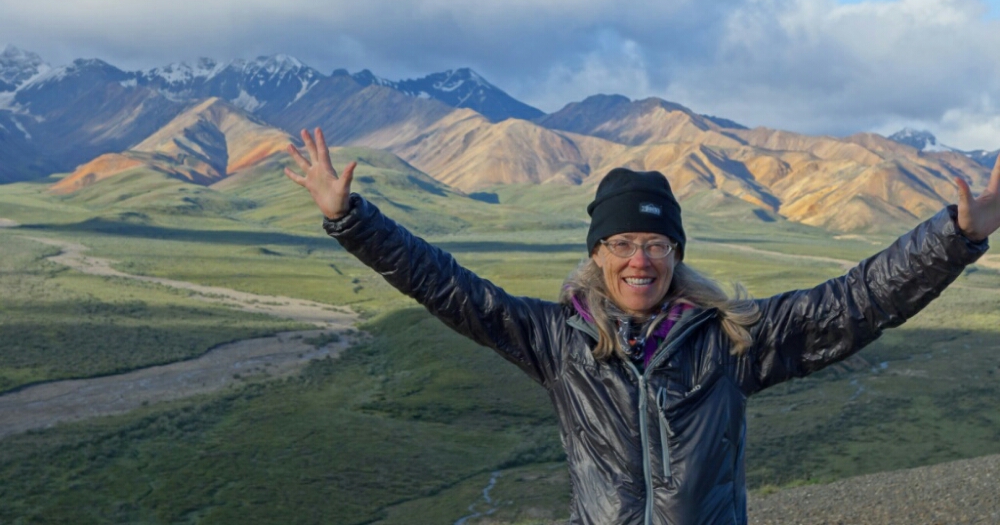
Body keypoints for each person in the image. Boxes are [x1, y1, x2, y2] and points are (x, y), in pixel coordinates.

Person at [285, 127, 999, 525]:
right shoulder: (556, 342)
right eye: (622, 243)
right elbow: (449, 288)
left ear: (676, 254)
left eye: (656, 244)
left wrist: (958, 236)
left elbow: (856, 302)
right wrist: (351, 221)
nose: (640, 259)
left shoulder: (731, 339)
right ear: (597, 255)